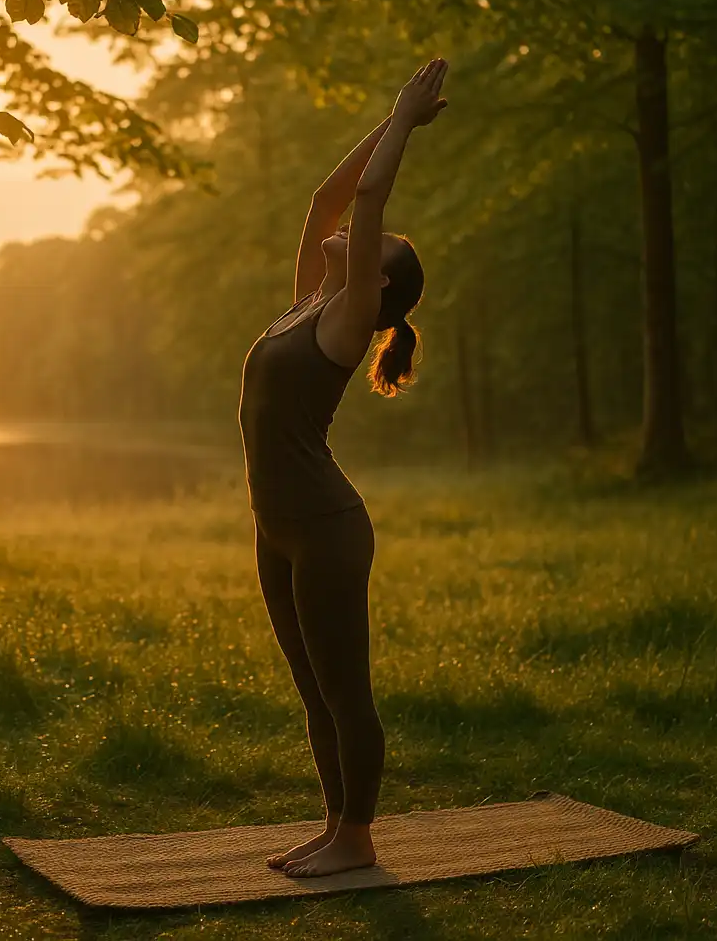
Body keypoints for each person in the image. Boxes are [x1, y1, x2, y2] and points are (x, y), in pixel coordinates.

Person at [237, 58, 449, 878]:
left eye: (374, 245)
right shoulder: (304, 305)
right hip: (276, 528)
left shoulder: (349, 319)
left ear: (377, 277)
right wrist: (392, 121)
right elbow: (328, 199)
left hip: (326, 528)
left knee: (344, 690)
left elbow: (366, 200)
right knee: (312, 690)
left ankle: (358, 838)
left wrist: (405, 120)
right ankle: (334, 829)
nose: (359, 233)